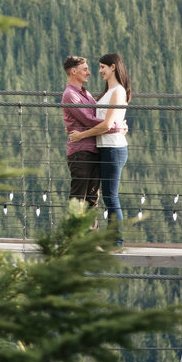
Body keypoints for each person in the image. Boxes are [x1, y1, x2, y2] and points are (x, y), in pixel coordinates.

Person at [69, 53, 131, 233]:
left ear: (113, 67)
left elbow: (106, 124)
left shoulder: (117, 91)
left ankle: (116, 240)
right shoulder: (109, 92)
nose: (100, 71)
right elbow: (110, 121)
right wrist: (119, 125)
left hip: (113, 148)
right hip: (105, 148)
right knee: (108, 196)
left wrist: (81, 136)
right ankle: (112, 239)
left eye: (103, 67)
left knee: (111, 197)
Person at [61, 55, 106, 213]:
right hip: (80, 152)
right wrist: (114, 126)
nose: (89, 73)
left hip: (93, 150)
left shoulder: (85, 94)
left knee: (92, 199)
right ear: (73, 71)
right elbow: (89, 120)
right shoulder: (70, 95)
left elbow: (95, 116)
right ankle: (74, 236)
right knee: (79, 199)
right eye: (85, 69)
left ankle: (90, 236)